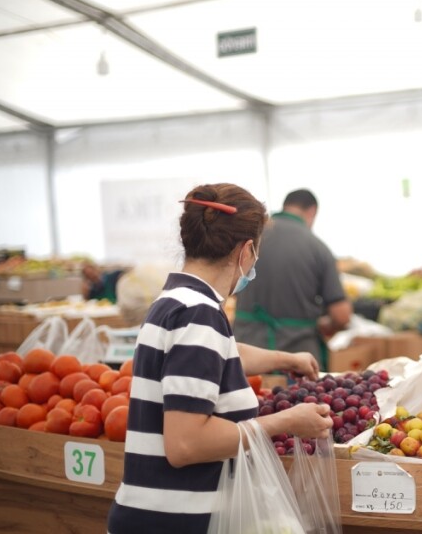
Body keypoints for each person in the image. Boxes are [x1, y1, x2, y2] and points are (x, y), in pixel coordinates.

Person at [107, 183, 332, 534]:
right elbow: (185, 444)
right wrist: (285, 421)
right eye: (256, 253)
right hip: (175, 523)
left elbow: (217, 358)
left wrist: (285, 359)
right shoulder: (199, 314)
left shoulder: (175, 302)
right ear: (245, 251)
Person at [234, 189, 352, 370]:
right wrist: (325, 325)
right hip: (297, 359)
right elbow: (341, 315)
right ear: (312, 211)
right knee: (298, 399)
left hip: (246, 357)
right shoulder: (317, 248)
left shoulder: (249, 238)